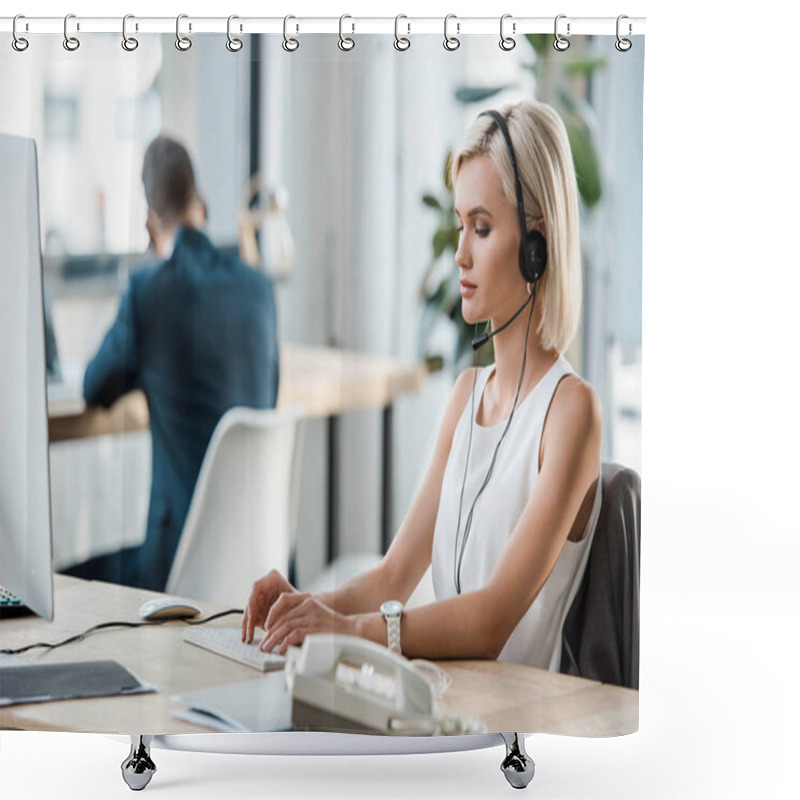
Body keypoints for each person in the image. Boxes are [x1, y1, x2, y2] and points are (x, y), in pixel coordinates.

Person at [242, 99, 601, 670]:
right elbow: (394, 575)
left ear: (537, 247)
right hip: (434, 702)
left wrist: (346, 629)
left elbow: (490, 621)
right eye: (461, 226)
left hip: (507, 726)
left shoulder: (570, 411)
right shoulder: (466, 395)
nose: (459, 254)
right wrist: (304, 608)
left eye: (481, 229)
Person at [65, 135, 280, 591]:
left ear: (148, 227)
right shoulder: (260, 289)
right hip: (260, 566)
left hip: (176, 571)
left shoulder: (147, 294)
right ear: (201, 203)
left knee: (62, 577)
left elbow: (93, 388)